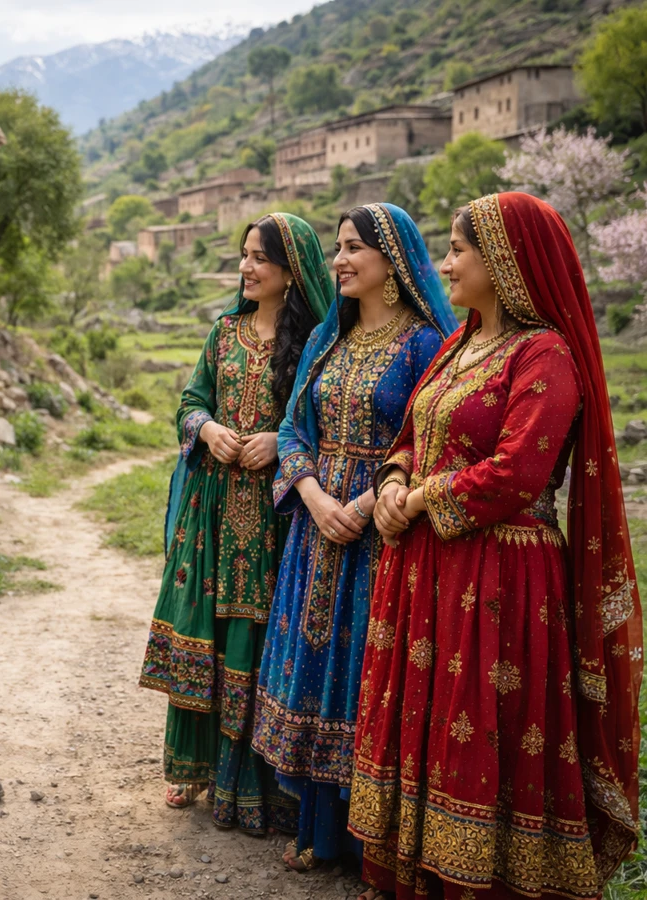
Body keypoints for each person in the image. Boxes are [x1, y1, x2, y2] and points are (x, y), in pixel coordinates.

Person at [351, 193, 642, 900]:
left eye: (458, 250)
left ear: (505, 262)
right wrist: (393, 480)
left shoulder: (545, 354)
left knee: (477, 728)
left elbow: (518, 472)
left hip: (500, 578)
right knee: (424, 718)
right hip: (428, 569)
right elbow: (415, 433)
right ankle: (417, 871)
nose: (445, 264)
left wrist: (418, 499)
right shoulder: (460, 345)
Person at [251, 203, 457, 873]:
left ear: (391, 263)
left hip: (383, 538)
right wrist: (313, 496)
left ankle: (369, 843)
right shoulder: (327, 339)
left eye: (351, 248)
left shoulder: (426, 345)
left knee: (368, 679)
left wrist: (364, 506)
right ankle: (315, 827)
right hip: (315, 535)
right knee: (314, 671)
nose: (338, 260)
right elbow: (290, 429)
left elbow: (434, 442)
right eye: (337, 248)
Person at [140, 213, 330, 834]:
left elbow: (326, 427)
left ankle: (262, 783)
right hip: (215, 511)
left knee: (263, 639)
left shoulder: (316, 346)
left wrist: (281, 439)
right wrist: (209, 429)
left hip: (278, 517)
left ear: (290, 270)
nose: (245, 268)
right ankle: (194, 767)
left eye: (258, 258)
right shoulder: (223, 334)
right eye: (243, 255)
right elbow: (190, 402)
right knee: (211, 633)